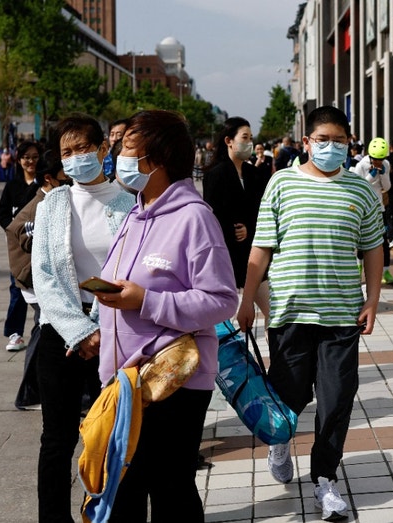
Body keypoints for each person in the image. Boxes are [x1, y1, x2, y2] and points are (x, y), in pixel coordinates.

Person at [237, 105, 384, 522]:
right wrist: (247, 300)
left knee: (337, 399)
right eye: (323, 140)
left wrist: (372, 300)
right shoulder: (281, 184)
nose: (332, 147)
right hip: (290, 312)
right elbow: (262, 246)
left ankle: (325, 478)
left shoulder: (360, 190)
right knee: (291, 394)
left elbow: (373, 248)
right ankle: (281, 440)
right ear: (306, 142)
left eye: (340, 141)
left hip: (341, 315)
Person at [90, 110, 237, 522]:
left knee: (170, 488)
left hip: (175, 380)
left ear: (155, 159)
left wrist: (146, 300)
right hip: (127, 380)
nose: (117, 155)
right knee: (124, 488)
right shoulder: (133, 215)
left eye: (127, 148)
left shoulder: (194, 217)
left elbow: (222, 299)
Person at [31, 114, 133, 523]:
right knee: (56, 440)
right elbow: (45, 276)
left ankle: (110, 513)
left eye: (82, 149)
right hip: (61, 337)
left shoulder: (129, 204)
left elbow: (134, 271)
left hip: (117, 335)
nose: (75, 158)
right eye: (66, 152)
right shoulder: (54, 203)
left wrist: (101, 325)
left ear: (103, 149)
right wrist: (80, 330)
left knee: (113, 437)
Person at [6, 150, 71, 410]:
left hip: (37, 279)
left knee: (41, 332)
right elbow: (22, 235)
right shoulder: (40, 204)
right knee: (43, 334)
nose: (69, 184)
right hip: (34, 281)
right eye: (64, 179)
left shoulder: (49, 199)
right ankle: (30, 393)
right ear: (49, 179)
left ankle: (32, 393)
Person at [203, 116, 270, 325]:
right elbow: (211, 215)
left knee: (274, 312)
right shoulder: (215, 174)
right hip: (226, 257)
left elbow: (263, 210)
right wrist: (232, 231)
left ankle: (277, 352)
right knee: (223, 319)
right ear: (228, 141)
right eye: (244, 137)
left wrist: (249, 229)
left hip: (253, 255)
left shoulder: (254, 173)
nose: (249, 142)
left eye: (251, 137)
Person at [0, 141, 44, 352]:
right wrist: (13, 231)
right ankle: (15, 333)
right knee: (17, 289)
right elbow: (3, 211)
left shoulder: (44, 183)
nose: (30, 161)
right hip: (18, 249)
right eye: (26, 157)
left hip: (40, 245)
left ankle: (41, 328)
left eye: (35, 157)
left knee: (40, 291)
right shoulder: (13, 185)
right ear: (19, 160)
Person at [353, 137, 393, 285]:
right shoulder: (361, 165)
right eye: (376, 159)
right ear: (370, 156)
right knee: (361, 240)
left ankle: (386, 271)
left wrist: (382, 173)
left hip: (379, 207)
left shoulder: (386, 164)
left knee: (384, 241)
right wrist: (371, 175)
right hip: (363, 208)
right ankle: (359, 266)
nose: (379, 162)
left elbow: (388, 187)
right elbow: (359, 186)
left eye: (381, 159)